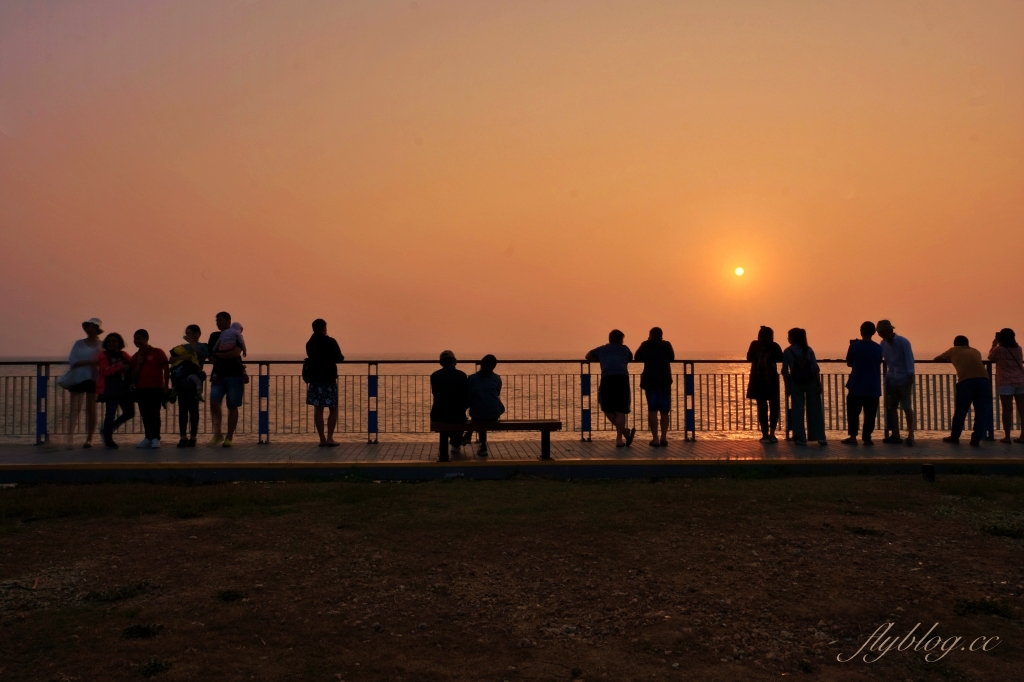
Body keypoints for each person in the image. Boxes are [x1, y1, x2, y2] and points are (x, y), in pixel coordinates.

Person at [935, 336, 991, 446]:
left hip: (967, 382)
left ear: (955, 344)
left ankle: (955, 436)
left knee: (961, 410)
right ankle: (976, 439)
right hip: (985, 381)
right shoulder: (975, 351)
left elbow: (937, 359)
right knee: (981, 412)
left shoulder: (953, 350)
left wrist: (950, 358)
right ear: (967, 343)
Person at [585, 330, 635, 447]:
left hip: (607, 378)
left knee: (606, 408)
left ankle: (623, 433)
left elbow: (587, 356)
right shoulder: (624, 349)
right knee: (620, 410)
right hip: (622, 379)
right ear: (621, 340)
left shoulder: (602, 349)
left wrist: (601, 359)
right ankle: (620, 437)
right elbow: (631, 357)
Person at [207, 312, 246, 448]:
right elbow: (211, 356)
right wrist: (219, 355)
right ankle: (217, 433)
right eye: (217, 320)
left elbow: (235, 354)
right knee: (214, 402)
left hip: (234, 375)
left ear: (228, 321)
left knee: (232, 406)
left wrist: (218, 355)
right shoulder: (214, 336)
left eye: (221, 320)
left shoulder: (235, 334)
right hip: (218, 375)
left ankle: (229, 437)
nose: (218, 323)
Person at [63, 318, 103, 448]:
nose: (90, 329)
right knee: (74, 409)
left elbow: (103, 361)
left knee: (91, 409)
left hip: (93, 378)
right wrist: (90, 362)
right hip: (78, 378)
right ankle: (69, 438)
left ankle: (89, 439)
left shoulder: (102, 344)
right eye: (88, 327)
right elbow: (73, 361)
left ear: (97, 329)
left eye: (93, 327)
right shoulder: (78, 343)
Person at [304, 318, 345, 447]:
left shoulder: (310, 343)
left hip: (315, 379)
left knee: (318, 409)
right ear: (323, 328)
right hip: (329, 379)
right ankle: (330, 438)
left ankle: (322, 439)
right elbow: (340, 358)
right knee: (333, 408)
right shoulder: (330, 341)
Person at [782, 328, 826, 446]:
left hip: (796, 383)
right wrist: (819, 384)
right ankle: (819, 436)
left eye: (789, 336)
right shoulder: (808, 350)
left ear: (793, 338)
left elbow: (785, 371)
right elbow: (815, 368)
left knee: (798, 410)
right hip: (811, 382)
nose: (788, 339)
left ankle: (800, 437)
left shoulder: (787, 352)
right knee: (815, 409)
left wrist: (787, 386)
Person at [843, 321, 883, 446]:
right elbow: (878, 361)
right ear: (874, 332)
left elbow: (849, 363)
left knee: (853, 413)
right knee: (870, 414)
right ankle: (867, 438)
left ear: (861, 331)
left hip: (856, 384)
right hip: (873, 385)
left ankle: (853, 437)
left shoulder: (854, 346)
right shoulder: (878, 348)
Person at [169, 325, 208, 448]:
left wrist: (191, 341)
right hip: (182, 381)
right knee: (182, 410)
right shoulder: (182, 347)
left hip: (194, 381)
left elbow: (200, 352)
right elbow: (171, 359)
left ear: (197, 334)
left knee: (194, 410)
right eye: (187, 333)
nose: (187, 335)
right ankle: (183, 437)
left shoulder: (203, 346)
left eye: (190, 333)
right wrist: (182, 357)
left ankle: (193, 437)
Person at [877, 319, 916, 446]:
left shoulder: (903, 342)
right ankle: (896, 434)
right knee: (892, 407)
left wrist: (910, 375)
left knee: (906, 406)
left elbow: (909, 358)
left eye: (882, 332)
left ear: (889, 330)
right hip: (891, 379)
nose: (881, 335)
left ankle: (910, 434)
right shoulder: (883, 343)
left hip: (904, 378)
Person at [635, 327, 674, 446]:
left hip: (650, 380)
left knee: (652, 410)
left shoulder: (646, 345)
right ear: (661, 335)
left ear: (650, 335)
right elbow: (672, 357)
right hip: (664, 380)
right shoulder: (667, 345)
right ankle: (664, 437)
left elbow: (637, 357)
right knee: (664, 411)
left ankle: (655, 438)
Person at [129, 329, 169, 448]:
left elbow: (166, 369)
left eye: (139, 338)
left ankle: (156, 438)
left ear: (146, 339)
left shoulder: (158, 352)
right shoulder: (135, 357)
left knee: (155, 413)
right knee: (144, 414)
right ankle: (148, 437)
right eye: (135, 339)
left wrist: (166, 386)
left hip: (156, 388)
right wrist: (139, 363)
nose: (136, 341)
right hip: (141, 388)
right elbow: (132, 375)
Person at [746, 326, 784, 443]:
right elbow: (780, 358)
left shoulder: (754, 344)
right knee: (774, 406)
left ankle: (765, 435)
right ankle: (772, 434)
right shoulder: (775, 345)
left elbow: (748, 358)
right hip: (772, 379)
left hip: (758, 379)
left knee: (762, 407)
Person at [96, 332, 135, 448]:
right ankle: (108, 440)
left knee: (130, 413)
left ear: (119, 343)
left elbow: (132, 364)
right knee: (110, 414)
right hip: (110, 389)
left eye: (114, 341)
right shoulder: (103, 355)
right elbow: (106, 371)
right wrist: (121, 366)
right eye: (109, 342)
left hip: (124, 388)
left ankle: (108, 429)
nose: (111, 343)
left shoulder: (124, 354)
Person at [430, 350, 469, 461]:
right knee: (460, 419)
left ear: (441, 363)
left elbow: (435, 393)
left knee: (445, 422)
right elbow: (466, 397)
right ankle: (456, 443)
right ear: (455, 361)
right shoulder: (462, 375)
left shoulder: (434, 376)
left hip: (438, 414)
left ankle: (452, 446)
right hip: (457, 415)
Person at [989, 328, 1024, 443]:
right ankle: (1023, 436)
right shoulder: (1019, 348)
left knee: (1007, 410)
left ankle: (1007, 437)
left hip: (1005, 382)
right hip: (1020, 381)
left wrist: (994, 344)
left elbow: (991, 358)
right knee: (1022, 410)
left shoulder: (999, 349)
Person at [466, 354, 505, 457]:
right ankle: (480, 443)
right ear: (494, 366)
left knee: (479, 411)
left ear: (481, 364)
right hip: (494, 414)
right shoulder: (497, 378)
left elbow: (469, 396)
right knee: (487, 408)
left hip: (478, 415)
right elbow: (497, 393)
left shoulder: (472, 378)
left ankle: (470, 436)